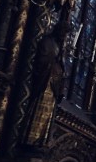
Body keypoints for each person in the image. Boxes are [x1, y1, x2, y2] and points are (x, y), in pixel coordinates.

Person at [21, 10, 69, 147]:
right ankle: (31, 140)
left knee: (47, 116)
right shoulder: (48, 42)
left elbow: (61, 66)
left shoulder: (59, 48)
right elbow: (42, 60)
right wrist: (54, 63)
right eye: (64, 34)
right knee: (38, 111)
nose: (65, 37)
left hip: (54, 85)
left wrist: (60, 65)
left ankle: (41, 141)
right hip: (45, 82)